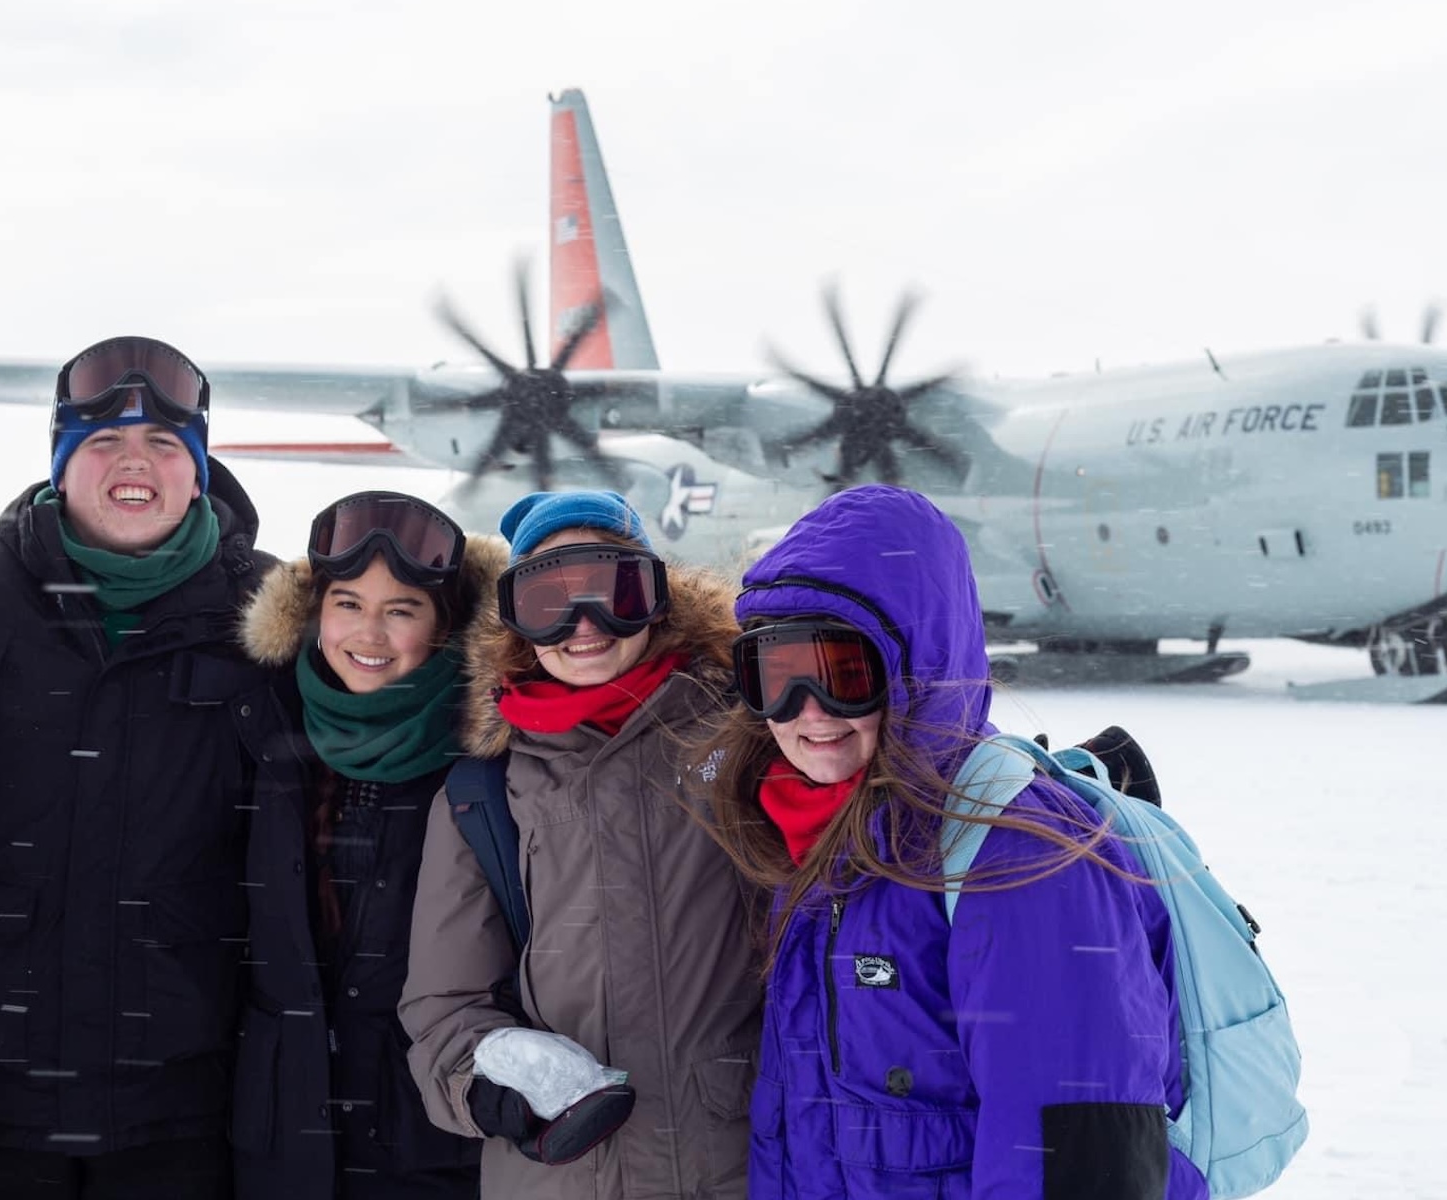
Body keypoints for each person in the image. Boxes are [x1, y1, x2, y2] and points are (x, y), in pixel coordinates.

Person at [705, 483, 1201, 1199]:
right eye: (775, 677)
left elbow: (1079, 1161)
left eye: (845, 676)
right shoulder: (813, 834)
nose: (806, 714)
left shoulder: (1018, 853)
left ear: (919, 670)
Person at [0, 336, 277, 1198]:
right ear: (60, 467)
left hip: (184, 1098)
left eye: (163, 446)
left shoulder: (269, 612)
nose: (132, 463)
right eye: (103, 443)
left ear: (199, 471)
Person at [398, 490, 763, 1200]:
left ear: (656, 598)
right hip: (563, 1175)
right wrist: (487, 1077)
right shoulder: (486, 792)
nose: (583, 625)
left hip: (736, 1161)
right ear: (514, 622)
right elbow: (444, 1004)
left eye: (613, 591)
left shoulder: (741, 739)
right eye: (547, 601)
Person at [231, 491, 503, 1198]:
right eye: (347, 604)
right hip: (285, 1138)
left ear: (443, 629)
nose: (369, 633)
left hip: (432, 1146)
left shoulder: (491, 762)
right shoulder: (266, 729)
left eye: (401, 610)